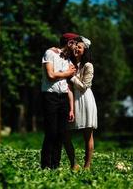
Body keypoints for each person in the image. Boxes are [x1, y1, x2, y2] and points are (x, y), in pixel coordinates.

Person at [40, 33, 80, 170]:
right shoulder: (50, 53)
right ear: (69, 43)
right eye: (75, 43)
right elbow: (50, 75)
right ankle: (45, 166)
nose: (76, 47)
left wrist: (71, 108)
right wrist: (67, 73)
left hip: (63, 98)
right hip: (50, 96)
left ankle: (55, 166)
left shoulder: (68, 61)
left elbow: (68, 87)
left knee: (61, 134)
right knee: (51, 132)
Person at [69, 36, 97, 169]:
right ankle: (74, 163)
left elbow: (84, 86)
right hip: (74, 100)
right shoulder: (72, 64)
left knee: (87, 134)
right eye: (75, 47)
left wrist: (72, 77)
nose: (76, 49)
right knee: (67, 132)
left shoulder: (88, 65)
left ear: (84, 50)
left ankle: (87, 165)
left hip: (85, 100)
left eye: (79, 47)